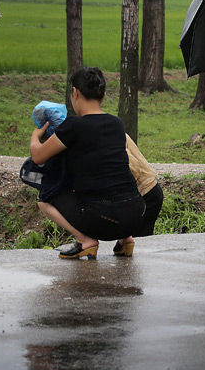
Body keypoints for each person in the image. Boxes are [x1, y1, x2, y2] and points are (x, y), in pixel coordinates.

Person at [29, 67, 145, 259]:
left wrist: (36, 136)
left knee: (45, 198)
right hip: (137, 214)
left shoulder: (74, 125)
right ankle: (126, 240)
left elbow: (38, 157)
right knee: (114, 184)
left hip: (103, 219)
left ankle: (85, 241)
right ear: (104, 95)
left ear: (75, 92)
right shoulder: (117, 123)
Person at [113, 134, 164, 256]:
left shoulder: (105, 136)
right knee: (129, 251)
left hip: (145, 195)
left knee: (140, 251)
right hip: (147, 191)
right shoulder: (111, 127)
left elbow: (133, 169)